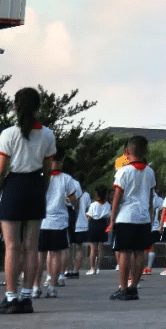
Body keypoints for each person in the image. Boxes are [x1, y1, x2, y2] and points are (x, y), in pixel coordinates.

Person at [0, 88, 57, 313]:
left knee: (12, 247)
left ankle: (11, 297)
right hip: (35, 186)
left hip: (14, 186)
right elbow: (47, 167)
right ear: (37, 107)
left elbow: (2, 169)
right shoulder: (47, 134)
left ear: (15, 106)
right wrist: (41, 187)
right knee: (31, 247)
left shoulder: (8, 134)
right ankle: (26, 297)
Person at [108, 135, 155, 300]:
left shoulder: (123, 171)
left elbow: (117, 197)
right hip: (143, 217)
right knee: (140, 252)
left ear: (127, 151)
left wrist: (112, 219)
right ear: (145, 151)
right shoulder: (150, 171)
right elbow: (150, 196)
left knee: (125, 253)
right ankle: (134, 287)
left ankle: (123, 287)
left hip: (126, 216)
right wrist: (150, 215)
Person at [37, 153, 78, 298]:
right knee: (55, 255)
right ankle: (52, 287)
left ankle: (35, 287)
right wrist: (70, 202)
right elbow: (73, 201)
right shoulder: (67, 179)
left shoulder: (41, 176)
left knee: (39, 255)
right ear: (61, 160)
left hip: (41, 220)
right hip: (59, 222)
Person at [67, 177, 91, 278]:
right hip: (82, 224)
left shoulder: (70, 194)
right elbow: (87, 208)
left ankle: (67, 270)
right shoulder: (86, 195)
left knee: (68, 248)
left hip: (70, 222)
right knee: (79, 248)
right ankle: (76, 271)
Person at [87, 187, 110, 275]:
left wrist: (88, 226)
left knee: (93, 248)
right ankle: (98, 267)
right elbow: (108, 217)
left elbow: (89, 216)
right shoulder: (107, 204)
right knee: (100, 248)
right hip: (103, 224)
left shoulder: (93, 204)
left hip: (94, 224)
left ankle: (92, 268)